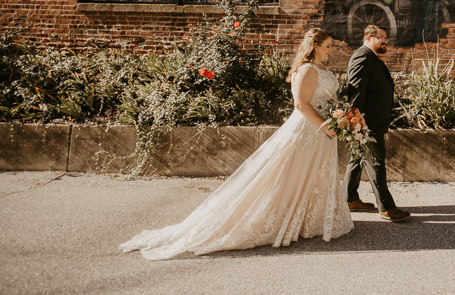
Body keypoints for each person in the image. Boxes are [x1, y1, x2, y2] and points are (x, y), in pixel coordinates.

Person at [120, 28, 353, 260]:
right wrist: (325, 126)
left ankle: (307, 218)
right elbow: (301, 104)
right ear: (315, 47)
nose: (331, 49)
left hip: (324, 129)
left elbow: (327, 100)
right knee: (290, 174)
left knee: (313, 174)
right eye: (328, 45)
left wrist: (339, 119)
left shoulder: (324, 70)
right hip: (308, 129)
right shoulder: (306, 70)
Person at [342, 24, 410, 222]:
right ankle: (387, 207)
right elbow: (355, 91)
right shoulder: (362, 56)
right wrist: (357, 121)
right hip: (366, 122)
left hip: (371, 120)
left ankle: (350, 198)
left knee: (357, 159)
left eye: (386, 38)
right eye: (381, 37)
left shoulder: (371, 56)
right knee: (377, 162)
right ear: (370, 37)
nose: (385, 41)